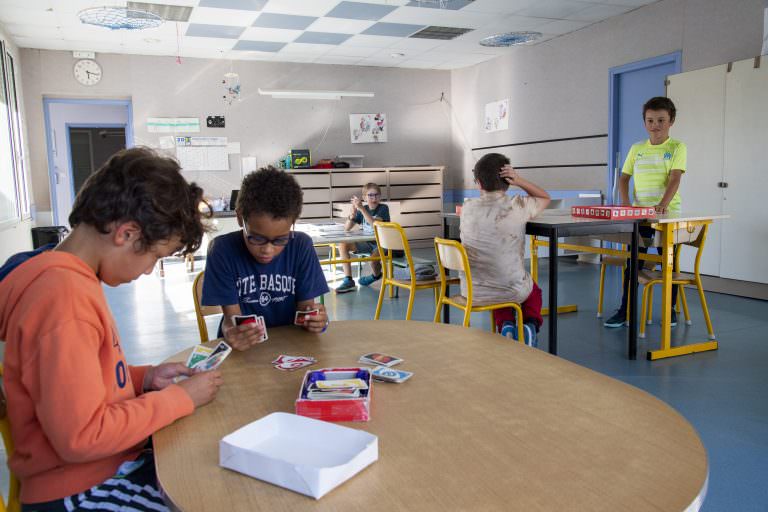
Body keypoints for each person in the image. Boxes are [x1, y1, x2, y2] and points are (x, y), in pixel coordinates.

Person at [0, 147, 223, 511]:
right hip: (80, 490)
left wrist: (144, 379)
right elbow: (82, 437)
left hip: (98, 471)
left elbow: (75, 382)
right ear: (126, 233)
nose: (150, 270)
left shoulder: (62, 276)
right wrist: (179, 399)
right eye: (154, 256)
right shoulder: (63, 298)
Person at [202, 167, 330, 350]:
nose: (267, 250)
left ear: (293, 223)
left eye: (280, 239)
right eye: (257, 238)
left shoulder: (301, 245)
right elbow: (231, 321)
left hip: (294, 347)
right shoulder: (222, 250)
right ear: (240, 218)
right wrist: (232, 331)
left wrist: (315, 320)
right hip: (244, 351)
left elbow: (306, 309)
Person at [604, 96, 685, 328]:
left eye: (661, 120)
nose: (655, 125)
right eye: (650, 120)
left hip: (667, 217)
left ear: (671, 121)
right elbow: (624, 178)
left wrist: (663, 204)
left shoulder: (677, 147)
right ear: (644, 122)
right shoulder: (637, 148)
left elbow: (675, 178)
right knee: (634, 264)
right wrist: (627, 203)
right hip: (640, 217)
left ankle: (670, 309)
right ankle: (624, 309)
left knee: (668, 265)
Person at [460, 153, 550, 346]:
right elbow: (544, 197)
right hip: (507, 287)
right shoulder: (516, 205)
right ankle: (530, 325)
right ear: (508, 181)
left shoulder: (467, 207)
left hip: (471, 290)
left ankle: (506, 325)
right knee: (531, 291)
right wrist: (519, 180)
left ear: (479, 183)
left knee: (494, 278)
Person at [335, 182, 391, 293]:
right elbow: (347, 228)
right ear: (364, 197)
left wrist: (361, 209)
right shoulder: (363, 209)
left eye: (376, 195)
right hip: (367, 243)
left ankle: (375, 276)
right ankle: (348, 280)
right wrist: (352, 216)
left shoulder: (383, 208)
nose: (374, 198)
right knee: (343, 244)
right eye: (370, 195)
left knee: (373, 261)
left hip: (382, 243)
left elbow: (374, 224)